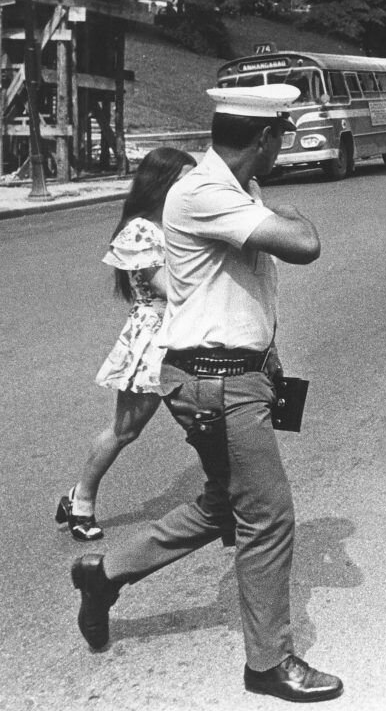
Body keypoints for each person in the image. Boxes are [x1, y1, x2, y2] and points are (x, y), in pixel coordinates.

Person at [70, 84, 343, 703]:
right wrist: (295, 216)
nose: (286, 145)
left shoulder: (237, 191)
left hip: (231, 375)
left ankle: (104, 572)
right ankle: (268, 663)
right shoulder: (203, 193)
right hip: (217, 383)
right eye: (283, 135)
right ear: (266, 139)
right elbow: (305, 244)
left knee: (227, 503)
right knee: (269, 516)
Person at [55, 148, 197, 541]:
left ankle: (232, 498)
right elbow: (169, 288)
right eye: (185, 179)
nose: (192, 187)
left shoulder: (180, 225)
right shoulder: (140, 231)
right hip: (155, 337)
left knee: (205, 421)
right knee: (126, 430)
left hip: (189, 332)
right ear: (162, 183)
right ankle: (79, 499)